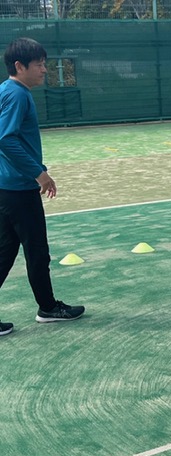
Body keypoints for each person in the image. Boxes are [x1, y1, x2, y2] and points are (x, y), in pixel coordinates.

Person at [0, 37, 85, 337]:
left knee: (5, 252)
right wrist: (38, 174)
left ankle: (47, 306)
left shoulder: (7, 90)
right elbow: (5, 139)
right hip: (19, 189)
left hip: (8, 187)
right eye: (39, 65)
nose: (45, 70)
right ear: (20, 66)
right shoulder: (17, 95)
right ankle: (48, 308)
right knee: (36, 250)